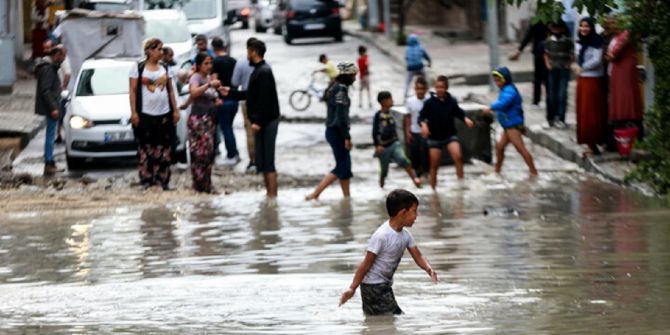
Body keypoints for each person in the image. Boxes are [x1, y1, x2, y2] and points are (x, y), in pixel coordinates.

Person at [339, 189, 438, 315]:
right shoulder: (381, 236)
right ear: (403, 212)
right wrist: (352, 288)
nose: (416, 216)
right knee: (396, 316)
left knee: (378, 319)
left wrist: (429, 269)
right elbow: (365, 264)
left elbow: (418, 256)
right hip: (373, 286)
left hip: (384, 285)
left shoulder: (405, 235)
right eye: (414, 211)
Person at [223, 39, 281, 198]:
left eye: (248, 51)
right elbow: (250, 94)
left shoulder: (264, 71)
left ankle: (272, 196)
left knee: (268, 161)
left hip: (266, 121)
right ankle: (269, 196)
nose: (247, 55)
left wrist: (257, 121)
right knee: (262, 161)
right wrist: (229, 92)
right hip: (263, 121)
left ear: (254, 52)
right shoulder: (259, 70)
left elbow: (264, 99)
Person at [129, 38, 180, 190]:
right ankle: (147, 180)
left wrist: (175, 110)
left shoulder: (165, 67)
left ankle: (163, 180)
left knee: (164, 147)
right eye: (158, 49)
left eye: (162, 49)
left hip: (164, 113)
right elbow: (132, 91)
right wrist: (134, 112)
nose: (161, 52)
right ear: (149, 51)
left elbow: (171, 90)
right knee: (146, 147)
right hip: (145, 114)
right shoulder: (138, 68)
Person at [305, 62, 358, 200]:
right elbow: (341, 117)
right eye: (353, 75)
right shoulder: (341, 90)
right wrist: (347, 137)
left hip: (333, 130)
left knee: (345, 167)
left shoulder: (335, 87)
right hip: (337, 132)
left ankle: (347, 197)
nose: (355, 78)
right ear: (348, 75)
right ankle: (315, 194)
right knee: (342, 166)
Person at [419, 75, 474, 189]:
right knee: (434, 165)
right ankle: (433, 191)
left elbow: (459, 112)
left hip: (450, 136)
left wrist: (466, 119)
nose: (439, 89)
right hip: (434, 138)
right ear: (435, 88)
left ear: (446, 88)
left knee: (458, 157)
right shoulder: (429, 103)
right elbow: (421, 117)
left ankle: (461, 184)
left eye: (442, 87)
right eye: (437, 87)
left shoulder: (451, 101)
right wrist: (424, 125)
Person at [483, 67, 538, 176]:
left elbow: (503, 103)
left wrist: (490, 107)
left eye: (499, 80)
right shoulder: (506, 89)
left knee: (520, 148)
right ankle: (497, 170)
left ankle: (534, 172)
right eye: (496, 81)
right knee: (499, 147)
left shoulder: (509, 91)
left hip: (513, 125)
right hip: (508, 125)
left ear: (505, 79)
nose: (497, 83)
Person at [188, 53, 223, 193]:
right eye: (206, 63)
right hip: (199, 120)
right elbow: (194, 92)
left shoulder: (208, 78)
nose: (209, 66)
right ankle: (199, 184)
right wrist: (209, 84)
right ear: (198, 65)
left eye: (210, 63)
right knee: (199, 153)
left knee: (208, 152)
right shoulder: (196, 77)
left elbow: (209, 96)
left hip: (209, 119)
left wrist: (217, 100)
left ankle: (206, 183)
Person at [605, 15, 644, 140]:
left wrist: (609, 56)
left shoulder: (625, 35)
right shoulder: (615, 37)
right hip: (617, 72)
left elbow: (613, 55)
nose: (612, 26)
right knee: (619, 99)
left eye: (614, 23)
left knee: (626, 100)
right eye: (610, 23)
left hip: (624, 72)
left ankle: (631, 130)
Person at [373, 91, 421, 188]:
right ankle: (381, 184)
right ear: (384, 101)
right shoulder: (378, 115)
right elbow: (374, 132)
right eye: (390, 99)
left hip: (394, 143)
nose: (392, 101)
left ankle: (415, 180)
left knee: (404, 160)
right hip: (383, 147)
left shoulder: (392, 113)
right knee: (384, 170)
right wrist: (377, 146)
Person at [575, 17, 606, 157]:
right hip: (582, 80)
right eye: (581, 26)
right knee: (583, 112)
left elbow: (597, 60)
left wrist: (582, 68)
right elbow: (576, 58)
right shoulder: (579, 42)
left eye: (586, 26)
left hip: (593, 79)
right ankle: (590, 145)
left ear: (592, 28)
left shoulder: (597, 41)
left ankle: (594, 144)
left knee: (591, 112)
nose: (584, 29)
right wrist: (577, 67)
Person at [35, 45, 66, 175]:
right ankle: (49, 162)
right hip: (51, 108)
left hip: (52, 106)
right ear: (56, 55)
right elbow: (45, 91)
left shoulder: (49, 67)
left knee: (51, 135)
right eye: (63, 55)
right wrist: (53, 108)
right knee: (50, 136)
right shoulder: (48, 68)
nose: (64, 58)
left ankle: (50, 161)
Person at [231, 37, 261, 173]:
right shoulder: (266, 66)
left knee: (250, 132)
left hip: (247, 102)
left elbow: (235, 83)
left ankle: (253, 161)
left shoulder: (241, 64)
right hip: (261, 101)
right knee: (262, 130)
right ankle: (262, 159)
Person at [211, 37, 240, 166]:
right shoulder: (234, 61)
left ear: (213, 48)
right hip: (234, 98)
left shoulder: (216, 62)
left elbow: (214, 81)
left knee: (225, 128)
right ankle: (234, 152)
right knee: (229, 127)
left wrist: (215, 96)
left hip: (222, 99)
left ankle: (231, 154)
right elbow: (236, 81)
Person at [509, 18, 548, 109]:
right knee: (545, 78)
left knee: (539, 77)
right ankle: (544, 101)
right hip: (547, 52)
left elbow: (528, 37)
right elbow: (528, 36)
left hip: (541, 52)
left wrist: (519, 50)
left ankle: (536, 102)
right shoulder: (552, 18)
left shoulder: (536, 20)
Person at [544, 21, 574, 128]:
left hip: (563, 70)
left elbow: (572, 54)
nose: (556, 31)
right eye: (554, 29)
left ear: (563, 30)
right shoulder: (548, 41)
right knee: (551, 95)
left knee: (562, 95)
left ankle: (561, 118)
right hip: (552, 70)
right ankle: (551, 118)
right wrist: (548, 64)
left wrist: (568, 64)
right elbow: (546, 54)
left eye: (558, 29)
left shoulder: (568, 42)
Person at [404, 76, 430, 180]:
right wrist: (407, 131)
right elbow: (408, 117)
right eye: (418, 89)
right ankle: (417, 172)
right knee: (414, 153)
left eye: (422, 89)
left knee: (425, 153)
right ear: (415, 89)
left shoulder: (429, 100)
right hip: (414, 131)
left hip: (426, 132)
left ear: (426, 89)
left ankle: (426, 172)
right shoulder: (410, 101)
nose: (420, 91)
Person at [403, 34, 431, 100]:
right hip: (419, 67)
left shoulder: (407, 49)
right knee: (426, 79)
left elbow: (406, 58)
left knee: (408, 81)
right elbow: (426, 56)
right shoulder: (420, 48)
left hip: (410, 68)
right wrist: (429, 63)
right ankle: (428, 92)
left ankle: (405, 94)